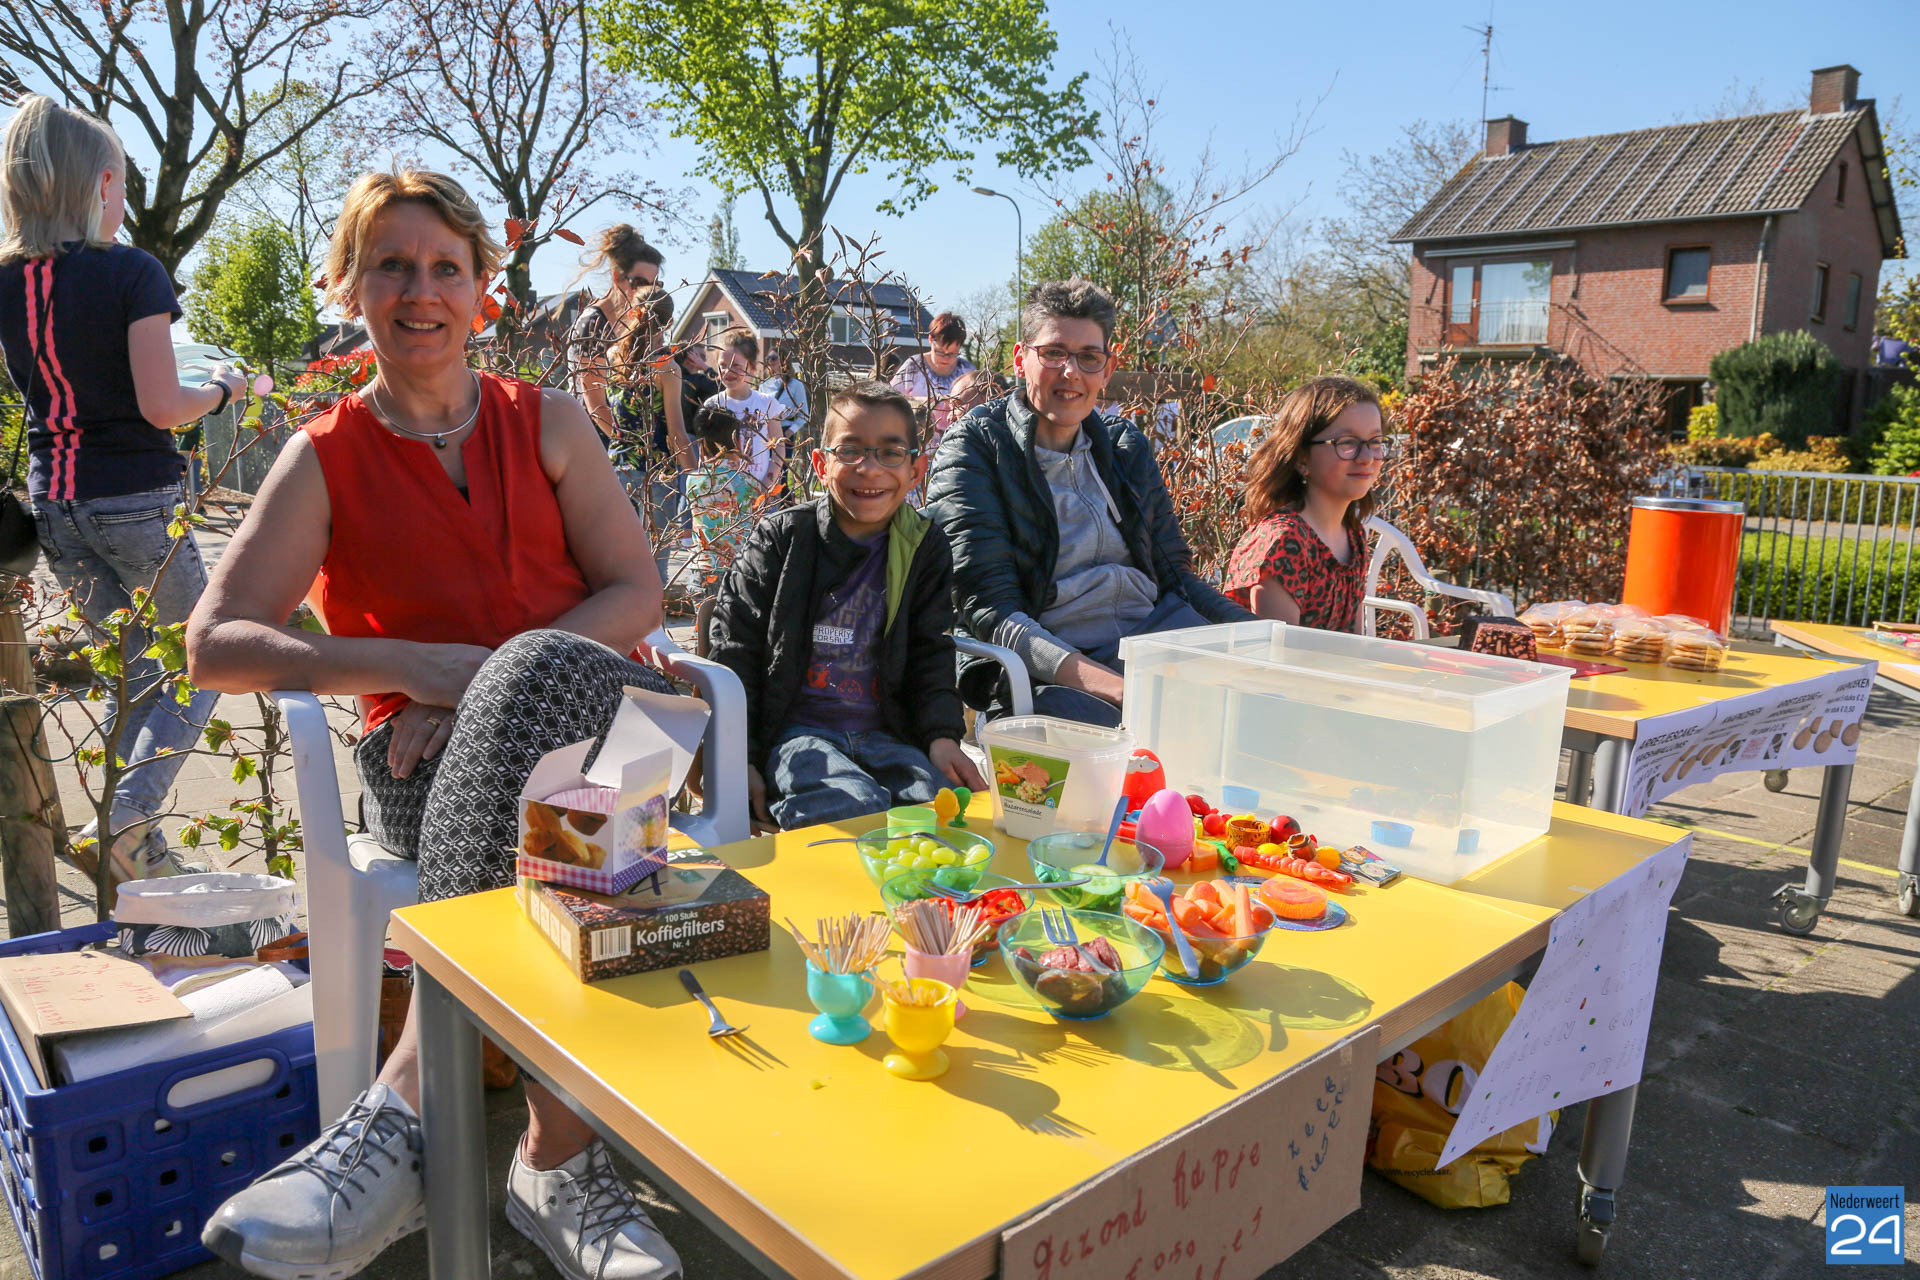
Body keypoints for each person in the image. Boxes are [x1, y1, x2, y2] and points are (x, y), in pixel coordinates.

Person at [186, 168, 683, 1280]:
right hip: (426, 765)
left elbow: (636, 593)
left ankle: (406, 1102)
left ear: (481, 292)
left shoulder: (547, 421)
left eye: (446, 268)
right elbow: (215, 643)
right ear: (349, 286)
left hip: (600, 728)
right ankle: (556, 1162)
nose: (422, 291)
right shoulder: (325, 456)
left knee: (573, 730)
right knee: (591, 837)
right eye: (392, 266)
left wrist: (485, 682)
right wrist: (410, 666)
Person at [0, 96, 245, 884]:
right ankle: (129, 820)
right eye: (124, 187)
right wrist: (226, 390)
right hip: (134, 497)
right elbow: (162, 406)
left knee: (133, 672)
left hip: (55, 506)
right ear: (102, 184)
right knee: (201, 660)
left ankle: (116, 830)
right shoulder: (131, 271)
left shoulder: (7, 281)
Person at [925, 279, 1252, 729]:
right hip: (1055, 667)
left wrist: (1268, 641)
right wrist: (1121, 689)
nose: (1070, 372)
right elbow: (991, 609)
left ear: (1107, 368)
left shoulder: (1124, 448)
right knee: (1144, 738)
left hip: (1156, 641)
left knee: (1269, 708)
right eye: (1053, 353)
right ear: (1020, 359)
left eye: (1088, 357)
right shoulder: (977, 448)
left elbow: (1177, 579)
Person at [708, 380, 986, 830]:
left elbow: (930, 651)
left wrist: (941, 736)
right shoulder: (782, 540)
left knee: (943, 815)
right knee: (855, 807)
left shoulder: (923, 545)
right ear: (821, 465)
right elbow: (733, 654)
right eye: (850, 451)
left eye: (890, 453)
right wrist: (740, 758)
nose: (869, 469)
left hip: (886, 736)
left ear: (916, 470)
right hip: (796, 737)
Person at [1224, 376, 1390, 633]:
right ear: (1302, 457)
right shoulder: (1283, 542)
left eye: (1375, 442)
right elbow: (1280, 654)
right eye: (1347, 443)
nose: (1367, 457)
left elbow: (1355, 644)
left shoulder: (1353, 535)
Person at [604, 284, 694, 587]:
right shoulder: (666, 367)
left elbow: (607, 412)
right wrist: (698, 476)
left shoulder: (613, 356)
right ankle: (653, 614)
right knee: (656, 561)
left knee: (618, 559)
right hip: (656, 473)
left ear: (632, 313)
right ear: (668, 323)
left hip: (617, 468)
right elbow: (677, 432)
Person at [564, 223, 662, 443]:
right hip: (590, 439)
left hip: (625, 437)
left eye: (655, 285)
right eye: (640, 283)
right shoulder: (593, 324)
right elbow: (596, 406)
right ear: (617, 278)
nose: (647, 291)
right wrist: (630, 448)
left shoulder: (636, 321)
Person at [681, 403, 763, 591]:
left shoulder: (693, 480)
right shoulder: (751, 483)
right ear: (739, 443)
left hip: (703, 568)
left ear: (701, 446)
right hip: (740, 570)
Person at [703, 327, 786, 490]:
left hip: (760, 491)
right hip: (724, 492)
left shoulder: (767, 404)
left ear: (752, 367)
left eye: (736, 366)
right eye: (723, 365)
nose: (728, 371)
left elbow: (779, 449)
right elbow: (707, 452)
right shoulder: (712, 406)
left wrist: (767, 485)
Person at [891, 310, 973, 438]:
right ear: (930, 339)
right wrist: (923, 402)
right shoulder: (914, 366)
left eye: (952, 353)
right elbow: (891, 399)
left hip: (957, 438)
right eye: (940, 351)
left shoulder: (967, 371)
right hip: (918, 437)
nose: (946, 358)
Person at [758, 347, 809, 421]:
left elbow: (804, 414)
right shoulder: (763, 386)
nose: (770, 361)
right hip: (768, 426)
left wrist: (792, 428)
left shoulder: (796, 385)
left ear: (784, 360)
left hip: (786, 426)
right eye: (768, 358)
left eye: (773, 358)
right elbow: (759, 410)